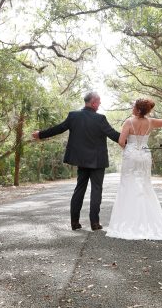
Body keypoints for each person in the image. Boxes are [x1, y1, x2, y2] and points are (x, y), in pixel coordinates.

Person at [32, 92, 120, 231]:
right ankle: (94, 223)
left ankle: (75, 222)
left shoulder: (73, 116)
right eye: (99, 102)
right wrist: (131, 141)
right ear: (93, 103)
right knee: (96, 191)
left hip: (81, 160)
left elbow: (58, 129)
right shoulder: (100, 119)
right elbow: (114, 135)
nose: (100, 104)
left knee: (79, 189)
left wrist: (40, 134)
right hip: (98, 161)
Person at [106, 99, 162, 240]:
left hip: (131, 155)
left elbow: (120, 141)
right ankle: (150, 223)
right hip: (144, 155)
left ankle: (127, 222)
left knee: (127, 186)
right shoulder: (151, 122)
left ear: (138, 109)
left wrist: (129, 149)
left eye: (134, 106)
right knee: (145, 186)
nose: (132, 108)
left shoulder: (128, 122)